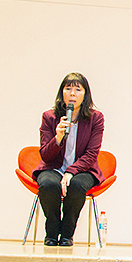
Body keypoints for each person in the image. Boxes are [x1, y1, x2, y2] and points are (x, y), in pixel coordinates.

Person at [34, 72, 104, 247]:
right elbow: (45, 155)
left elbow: (91, 153)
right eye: (68, 89)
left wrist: (71, 172)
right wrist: (57, 138)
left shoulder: (96, 118)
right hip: (53, 167)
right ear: (62, 92)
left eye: (77, 89)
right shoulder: (49, 117)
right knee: (48, 184)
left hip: (83, 169)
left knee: (77, 185)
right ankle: (51, 231)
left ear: (85, 94)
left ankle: (67, 233)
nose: (72, 93)